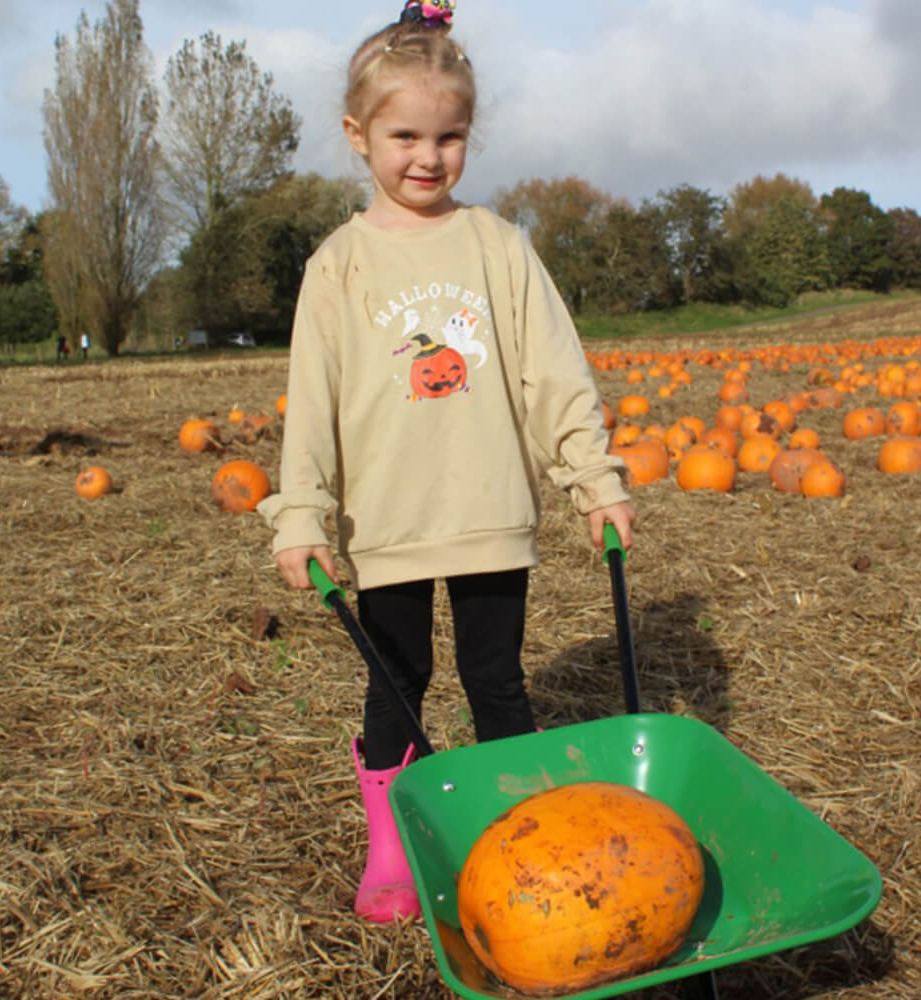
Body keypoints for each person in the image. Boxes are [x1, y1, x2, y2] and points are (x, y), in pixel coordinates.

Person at [258, 0, 635, 924]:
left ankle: (520, 837)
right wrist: (300, 513)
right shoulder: (338, 266)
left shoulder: (497, 246)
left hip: (489, 511)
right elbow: (312, 405)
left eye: (450, 135)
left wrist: (593, 479)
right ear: (359, 135)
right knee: (397, 682)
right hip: (388, 522)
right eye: (405, 135)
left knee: (497, 680)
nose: (427, 156)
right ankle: (396, 842)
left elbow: (554, 373)